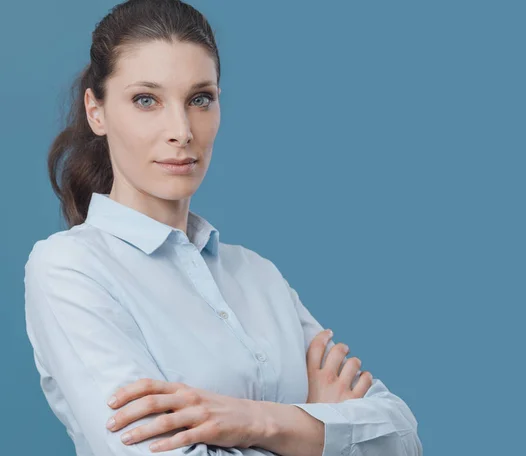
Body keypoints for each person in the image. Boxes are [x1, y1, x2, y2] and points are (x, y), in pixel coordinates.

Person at [23, 1, 423, 455]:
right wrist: (316, 426)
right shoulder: (70, 268)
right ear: (96, 111)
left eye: (199, 99)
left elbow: (401, 438)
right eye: (146, 100)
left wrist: (255, 423)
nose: (181, 130)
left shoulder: (257, 275)